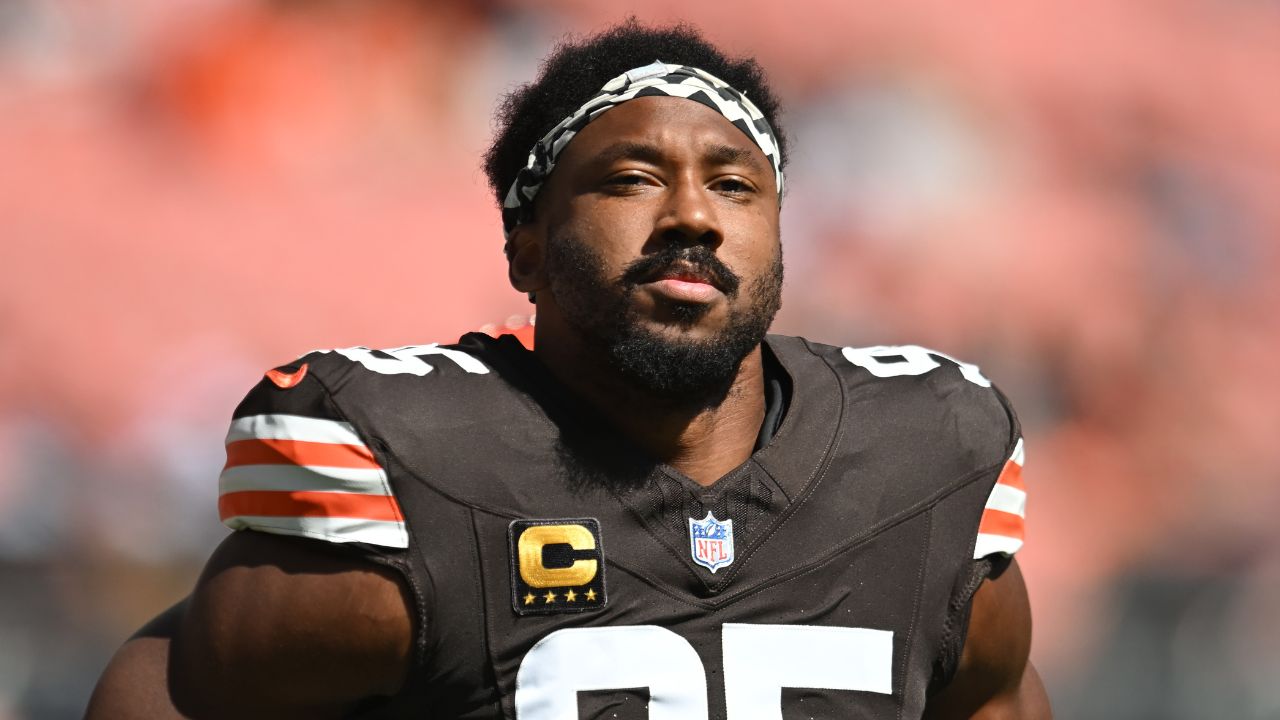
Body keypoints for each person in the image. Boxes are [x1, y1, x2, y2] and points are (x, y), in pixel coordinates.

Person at [87, 20, 1052, 719]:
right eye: (632, 179)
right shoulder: (417, 469)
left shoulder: (922, 459)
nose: (694, 216)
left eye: (734, 184)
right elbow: (175, 692)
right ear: (527, 251)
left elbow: (991, 696)